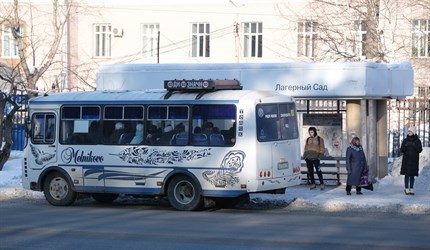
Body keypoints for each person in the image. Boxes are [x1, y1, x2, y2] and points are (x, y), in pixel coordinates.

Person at [400, 126, 423, 195]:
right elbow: (401, 150)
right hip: (406, 161)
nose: (409, 132)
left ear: (413, 132)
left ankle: (411, 189)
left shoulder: (418, 141)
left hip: (414, 161)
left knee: (412, 175)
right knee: (406, 175)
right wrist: (406, 145)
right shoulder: (405, 140)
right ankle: (406, 189)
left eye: (410, 131)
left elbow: (420, 150)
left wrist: (414, 145)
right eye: (408, 131)